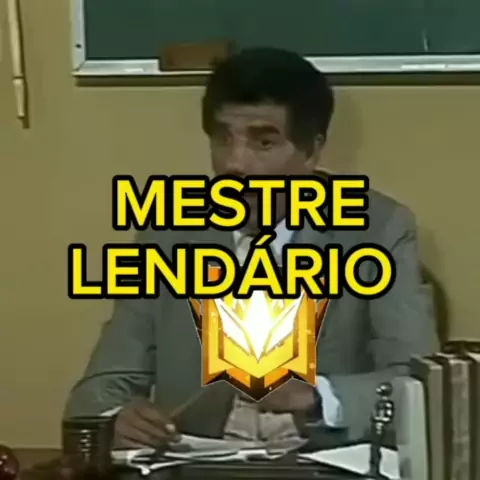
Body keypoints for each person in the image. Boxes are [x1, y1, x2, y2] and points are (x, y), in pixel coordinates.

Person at [64, 47, 439, 449]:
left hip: (321, 462)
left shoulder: (380, 230)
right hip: (195, 463)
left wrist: (319, 396)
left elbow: (419, 386)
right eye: (223, 138)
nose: (235, 163)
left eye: (263, 142)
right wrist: (115, 419)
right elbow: (96, 393)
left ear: (311, 151)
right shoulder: (169, 234)